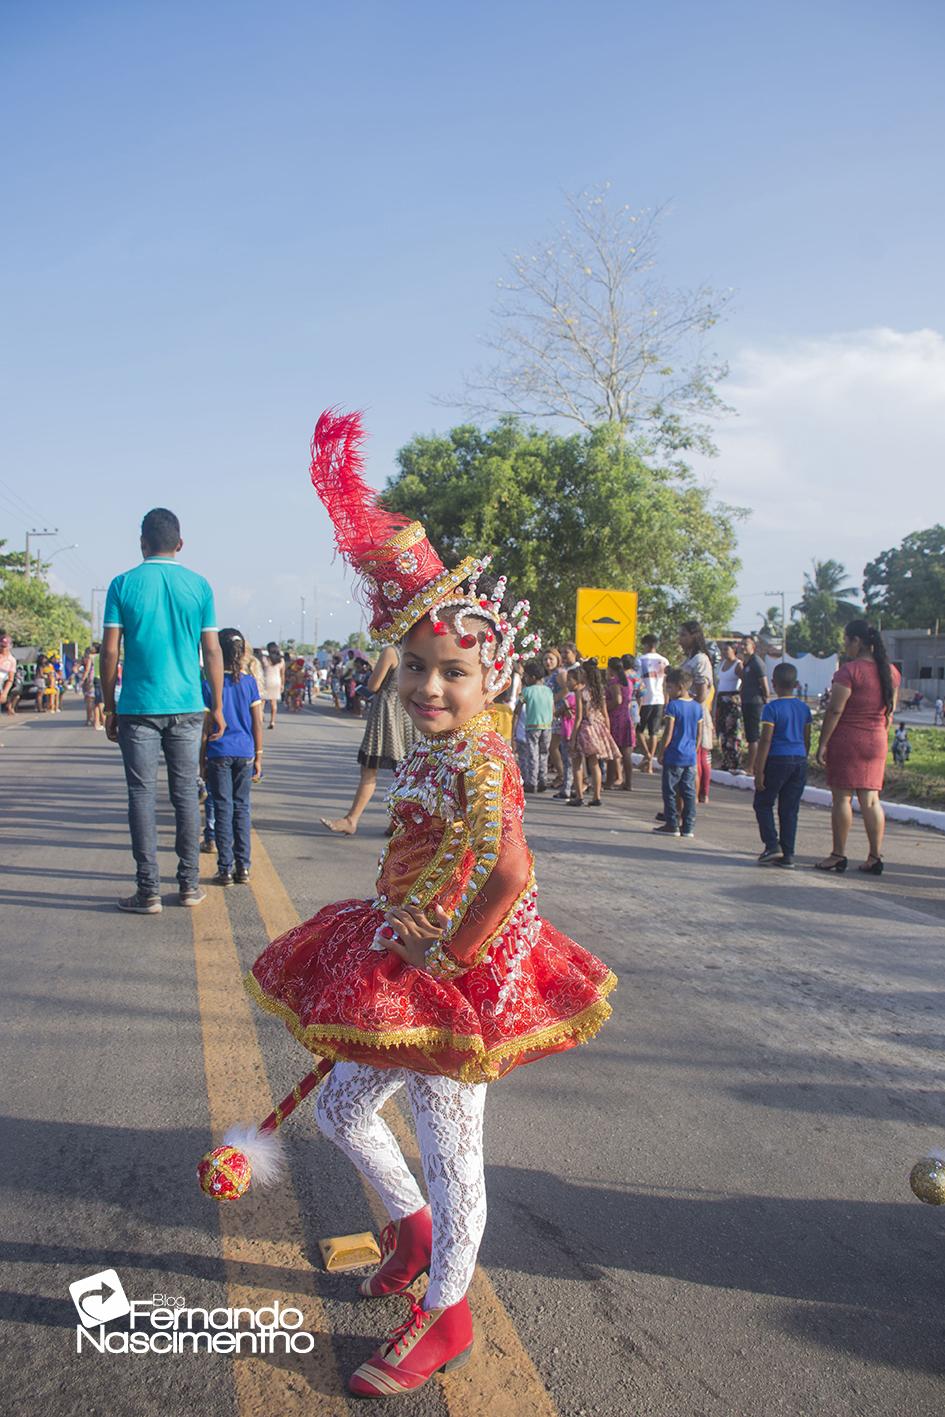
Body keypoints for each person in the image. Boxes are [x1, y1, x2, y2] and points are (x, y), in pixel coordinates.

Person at [245, 409, 616, 1397]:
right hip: (409, 948)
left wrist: (450, 954)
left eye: (454, 671)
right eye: (415, 668)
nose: (431, 686)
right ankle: (409, 1228)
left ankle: (447, 1308)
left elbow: (507, 874)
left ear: (494, 675)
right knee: (342, 1105)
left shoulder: (483, 762)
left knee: (458, 1151)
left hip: (461, 975)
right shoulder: (436, 747)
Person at [101, 507, 224, 913]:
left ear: (142, 543)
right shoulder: (199, 586)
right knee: (186, 793)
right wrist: (217, 705)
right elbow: (211, 650)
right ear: (180, 544)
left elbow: (110, 650)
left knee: (140, 794)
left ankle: (147, 890)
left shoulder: (122, 585)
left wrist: (108, 703)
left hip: (137, 706)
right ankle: (189, 886)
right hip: (189, 706)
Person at [815, 618, 900, 876]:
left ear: (857, 641)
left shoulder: (849, 672)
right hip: (877, 739)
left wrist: (822, 743)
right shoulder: (892, 672)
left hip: (848, 739)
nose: (845, 646)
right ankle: (875, 856)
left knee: (842, 797)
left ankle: (838, 854)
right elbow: (891, 711)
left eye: (847, 641)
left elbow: (836, 709)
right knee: (871, 799)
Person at [320, 645, 416, 835]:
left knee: (369, 770)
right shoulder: (418, 650)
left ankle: (351, 819)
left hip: (386, 713)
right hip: (408, 714)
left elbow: (373, 686)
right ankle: (397, 822)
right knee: (405, 773)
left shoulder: (391, 651)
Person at [200, 628, 263, 885]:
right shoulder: (249, 683)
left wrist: (200, 760)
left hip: (218, 752)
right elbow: (257, 723)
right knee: (242, 809)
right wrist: (259, 756)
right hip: (245, 752)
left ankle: (225, 869)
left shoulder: (208, 684)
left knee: (222, 809)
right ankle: (243, 867)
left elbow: (205, 727)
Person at [752, 662, 812, 868]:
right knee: (789, 809)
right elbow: (807, 738)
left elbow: (766, 740)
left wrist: (758, 769)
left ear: (773, 684)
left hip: (776, 760)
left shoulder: (771, 709)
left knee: (763, 802)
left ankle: (771, 845)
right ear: (796, 684)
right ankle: (788, 854)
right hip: (799, 760)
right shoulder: (804, 708)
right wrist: (804, 757)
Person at [653, 668, 701, 838]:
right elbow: (699, 734)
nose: (668, 691)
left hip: (674, 755)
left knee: (670, 791)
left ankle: (672, 824)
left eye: (670, 688)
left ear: (680, 687)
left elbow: (668, 733)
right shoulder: (697, 707)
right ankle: (688, 826)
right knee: (688, 792)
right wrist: (694, 750)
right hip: (690, 756)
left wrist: (661, 751)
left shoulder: (673, 706)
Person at [569, 660, 619, 806]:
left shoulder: (581, 692)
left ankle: (579, 796)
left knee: (577, 761)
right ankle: (596, 797)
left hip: (584, 728)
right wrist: (607, 732)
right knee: (594, 763)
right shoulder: (599, 692)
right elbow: (605, 714)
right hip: (598, 728)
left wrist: (573, 737)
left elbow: (578, 717)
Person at [515, 657, 555, 793]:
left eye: (526, 676)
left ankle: (532, 782)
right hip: (547, 726)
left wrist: (514, 728)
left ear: (532, 677)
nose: (525, 679)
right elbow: (553, 708)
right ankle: (542, 779)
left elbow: (518, 710)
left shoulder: (526, 691)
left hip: (532, 726)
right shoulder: (548, 691)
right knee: (544, 753)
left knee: (533, 754)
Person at [637, 633, 669, 773]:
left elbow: (638, 683)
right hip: (659, 699)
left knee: (638, 730)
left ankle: (647, 755)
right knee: (654, 732)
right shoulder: (664, 661)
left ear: (647, 645)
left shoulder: (640, 660)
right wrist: (666, 700)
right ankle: (649, 765)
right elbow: (667, 683)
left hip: (644, 700)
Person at [738, 635, 770, 775]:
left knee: (753, 736)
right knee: (750, 735)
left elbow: (764, 685)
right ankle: (751, 765)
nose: (743, 647)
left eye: (746, 644)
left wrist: (765, 700)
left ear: (753, 647)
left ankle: (751, 767)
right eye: (742, 644)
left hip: (754, 702)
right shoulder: (747, 663)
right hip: (746, 701)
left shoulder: (757, 662)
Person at [605, 656, 635, 791]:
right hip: (626, 717)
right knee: (626, 752)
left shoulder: (614, 683)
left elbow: (617, 700)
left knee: (612, 751)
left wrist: (604, 707)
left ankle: (610, 781)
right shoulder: (628, 681)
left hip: (616, 718)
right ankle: (628, 782)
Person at [714, 641, 743, 772]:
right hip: (721, 701)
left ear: (734, 650)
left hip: (731, 702)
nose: (724, 652)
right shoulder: (722, 664)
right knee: (722, 732)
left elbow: (744, 682)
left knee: (732, 732)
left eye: (727, 649)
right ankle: (725, 760)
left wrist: (736, 695)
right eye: (723, 650)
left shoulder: (738, 665)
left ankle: (734, 761)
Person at [260, 643, 285, 728]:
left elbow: (261, 671)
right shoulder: (281, 661)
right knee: (273, 703)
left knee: (262, 702)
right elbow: (282, 674)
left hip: (266, 681)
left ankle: (260, 719)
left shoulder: (265, 659)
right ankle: (272, 721)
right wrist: (282, 684)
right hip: (276, 681)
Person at [0, 630, 21, 715]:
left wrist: (4, 693)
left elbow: (10, 679)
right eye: (1, 646)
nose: (3, 648)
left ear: (10, 646)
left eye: (5, 646)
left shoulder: (11, 660)